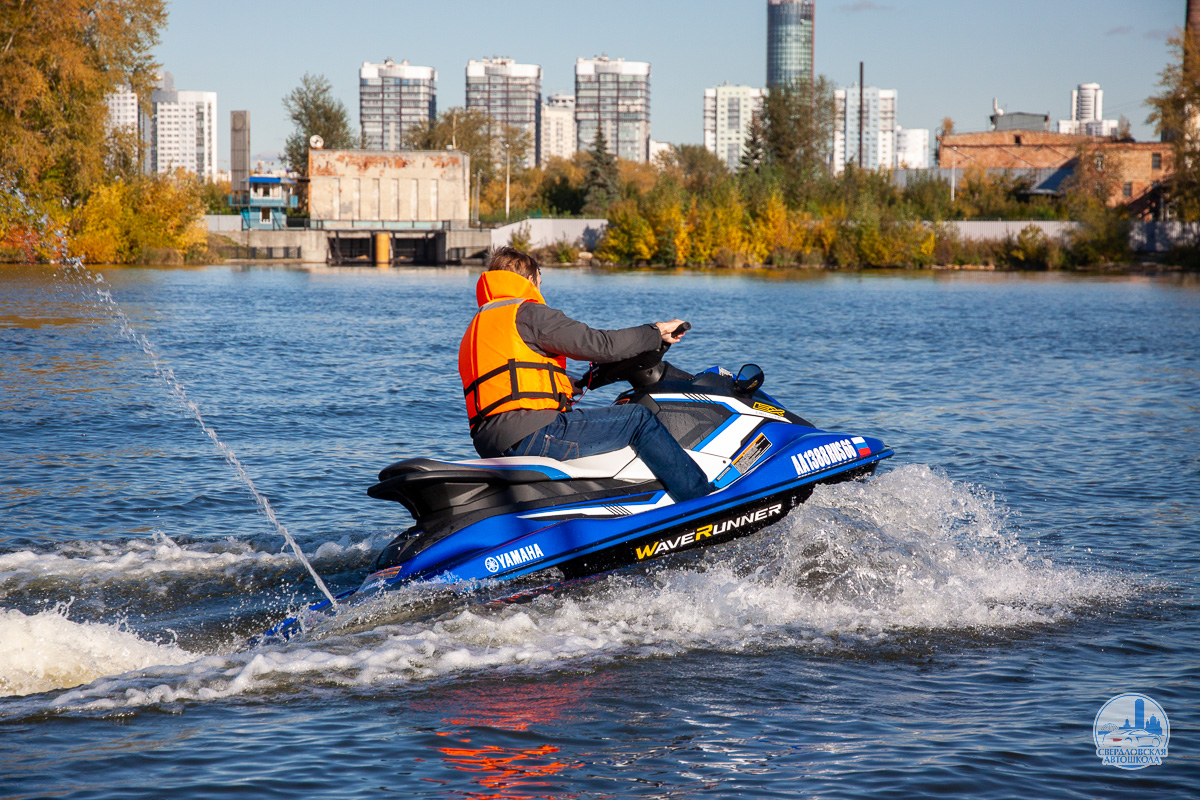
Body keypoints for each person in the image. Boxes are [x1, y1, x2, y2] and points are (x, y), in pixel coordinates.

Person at [458, 246, 712, 502]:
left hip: (491, 442)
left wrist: (562, 382)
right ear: (531, 279)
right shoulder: (528, 313)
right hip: (532, 434)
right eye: (540, 282)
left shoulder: (480, 324)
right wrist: (655, 332)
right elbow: (599, 345)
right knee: (638, 419)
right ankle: (701, 501)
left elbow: (506, 379)